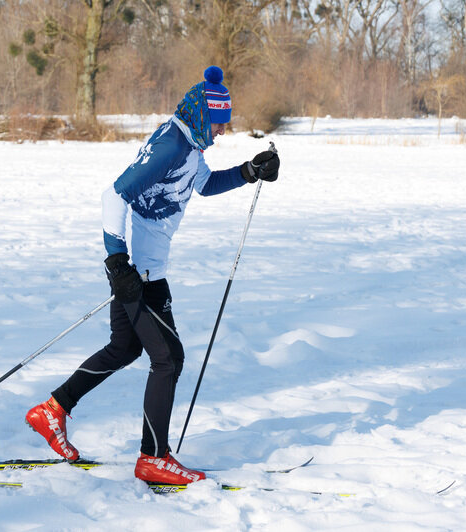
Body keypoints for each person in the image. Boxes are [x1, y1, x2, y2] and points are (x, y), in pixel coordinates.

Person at [25, 66, 280, 486]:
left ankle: (53, 410)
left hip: (144, 268)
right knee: (169, 359)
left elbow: (204, 185)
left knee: (124, 348)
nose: (219, 133)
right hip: (139, 273)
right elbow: (114, 194)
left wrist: (249, 171)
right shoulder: (171, 146)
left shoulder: (189, 145)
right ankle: (153, 457)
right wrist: (116, 261)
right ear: (202, 115)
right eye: (217, 124)